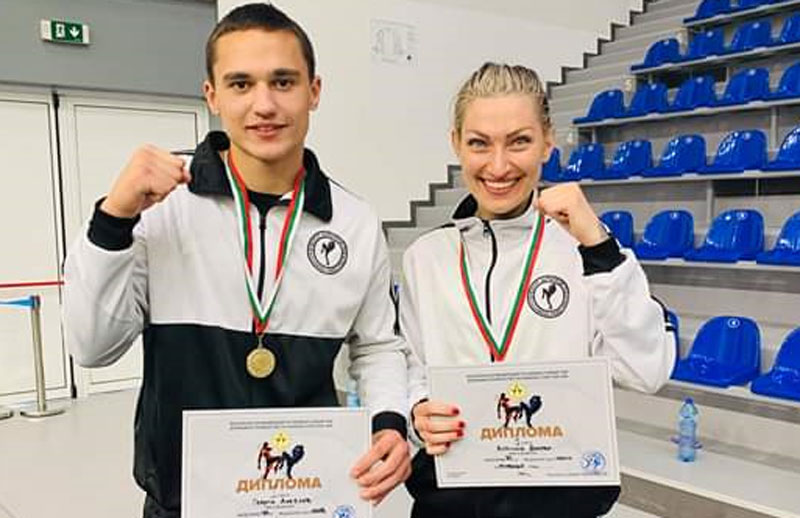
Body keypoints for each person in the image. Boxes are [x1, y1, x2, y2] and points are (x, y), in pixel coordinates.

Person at [63, 4, 410, 517]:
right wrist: (114, 219)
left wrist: (389, 421)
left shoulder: (354, 221)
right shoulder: (161, 207)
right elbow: (92, 347)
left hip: (306, 496)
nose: (264, 105)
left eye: (283, 82)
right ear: (213, 95)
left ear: (314, 91)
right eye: (241, 84)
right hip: (184, 501)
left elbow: (378, 346)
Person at [401, 62, 676, 517]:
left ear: (547, 141)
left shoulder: (589, 251)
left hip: (560, 502)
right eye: (479, 143)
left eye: (519, 142)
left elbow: (646, 370)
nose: (498, 166)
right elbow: (411, 365)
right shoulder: (425, 257)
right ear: (456, 143)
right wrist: (417, 410)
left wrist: (598, 247)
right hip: (451, 499)